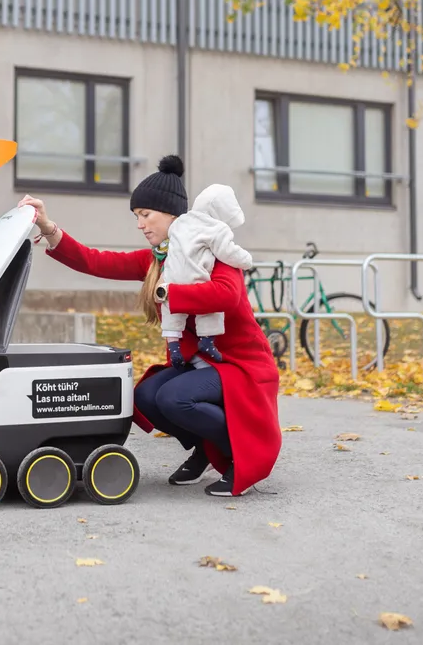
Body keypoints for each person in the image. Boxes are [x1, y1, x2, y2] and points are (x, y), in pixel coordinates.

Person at [18, 155, 282, 497]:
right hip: (201, 361)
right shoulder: (158, 257)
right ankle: (205, 447)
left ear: (172, 214)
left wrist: (169, 292)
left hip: (237, 363)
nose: (140, 224)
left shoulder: (210, 249)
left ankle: (233, 454)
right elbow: (97, 261)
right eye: (136, 217)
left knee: (174, 398)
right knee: (143, 397)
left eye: (146, 215)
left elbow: (228, 296)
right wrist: (48, 227)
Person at [160, 183, 253, 369]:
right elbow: (227, 252)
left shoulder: (180, 222)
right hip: (197, 275)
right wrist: (247, 260)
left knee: (170, 312)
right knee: (209, 309)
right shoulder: (216, 229)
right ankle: (207, 341)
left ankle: (174, 346)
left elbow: (172, 237)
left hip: (171, 277)